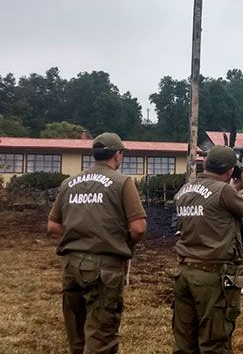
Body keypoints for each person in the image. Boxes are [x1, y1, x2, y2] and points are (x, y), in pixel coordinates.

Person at [47, 132, 147, 354]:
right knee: (101, 336)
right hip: (104, 268)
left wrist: (79, 231)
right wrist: (121, 241)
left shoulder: (69, 183)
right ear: (118, 155)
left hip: (71, 265)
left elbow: (53, 226)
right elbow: (138, 227)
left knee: (77, 334)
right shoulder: (122, 182)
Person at [172, 145, 243, 354]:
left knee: (185, 344)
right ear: (231, 170)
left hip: (184, 273)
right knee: (214, 343)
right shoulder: (224, 191)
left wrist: (234, 188)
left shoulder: (185, 190)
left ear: (205, 163)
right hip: (211, 277)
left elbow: (214, 205)